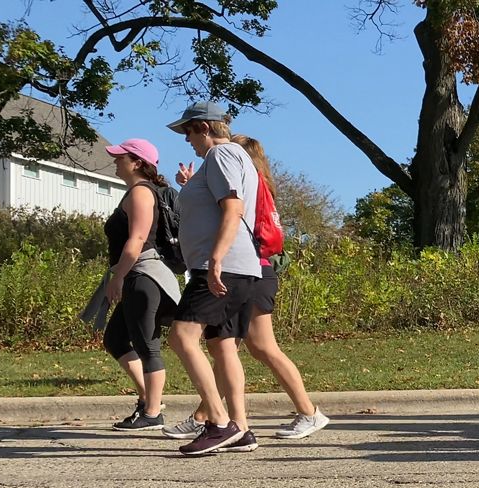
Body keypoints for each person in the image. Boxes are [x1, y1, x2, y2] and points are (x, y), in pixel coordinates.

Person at [162, 135, 330, 447]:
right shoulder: (261, 184)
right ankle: (222, 420)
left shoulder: (244, 181)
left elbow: (231, 215)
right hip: (258, 269)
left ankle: (302, 412)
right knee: (228, 345)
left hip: (252, 268)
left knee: (253, 346)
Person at [162, 101, 262, 455]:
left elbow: (232, 208)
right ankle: (242, 428)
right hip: (241, 267)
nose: (186, 140)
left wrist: (215, 259)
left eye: (188, 131)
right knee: (222, 346)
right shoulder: (236, 158)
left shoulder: (221, 156)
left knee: (181, 336)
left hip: (221, 265)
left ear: (204, 127)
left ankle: (219, 422)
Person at [96, 138, 182, 431]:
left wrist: (118, 277)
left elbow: (136, 241)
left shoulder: (141, 193)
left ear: (137, 162)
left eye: (121, 158)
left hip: (144, 276)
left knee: (148, 346)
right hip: (137, 275)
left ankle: (152, 413)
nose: (116, 162)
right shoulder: (136, 192)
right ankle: (148, 400)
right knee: (116, 339)